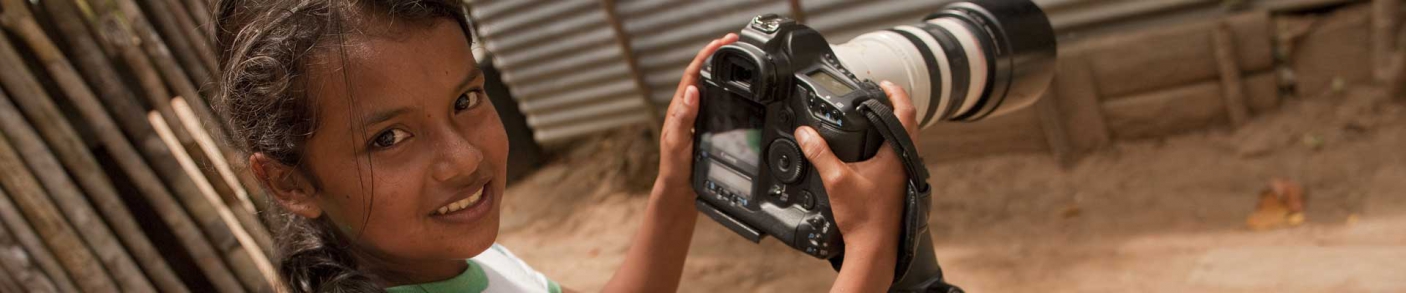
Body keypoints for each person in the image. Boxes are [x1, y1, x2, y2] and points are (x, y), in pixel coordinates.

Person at [213, 0, 922, 292]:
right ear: (288, 181)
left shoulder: (444, 259)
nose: (463, 157)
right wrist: (868, 250)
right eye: (388, 137)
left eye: (465, 99)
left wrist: (678, 178)